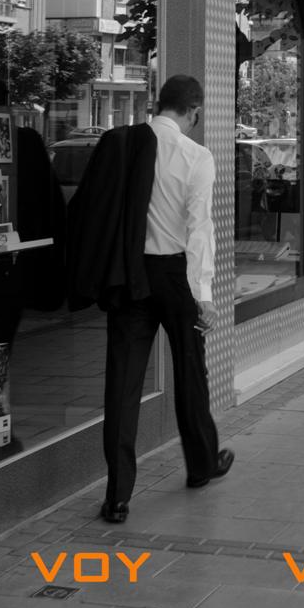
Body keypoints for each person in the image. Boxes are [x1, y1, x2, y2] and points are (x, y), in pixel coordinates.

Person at [94, 74, 232, 524]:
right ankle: (201, 465)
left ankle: (117, 496)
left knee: (123, 382)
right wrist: (204, 294)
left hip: (129, 274)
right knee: (191, 371)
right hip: (176, 276)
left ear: (158, 104)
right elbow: (199, 229)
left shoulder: (123, 145)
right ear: (193, 110)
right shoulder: (195, 156)